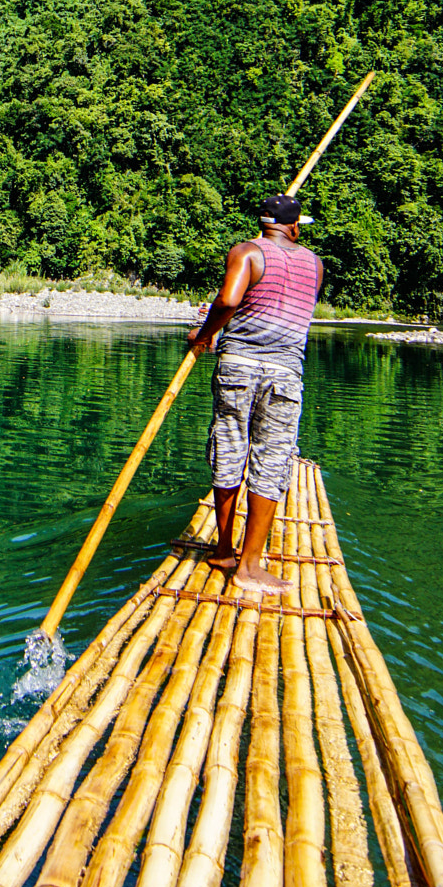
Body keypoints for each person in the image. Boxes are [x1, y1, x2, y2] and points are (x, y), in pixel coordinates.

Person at [186, 192, 324, 594]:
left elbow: (229, 300)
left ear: (263, 223)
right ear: (294, 226)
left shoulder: (246, 252)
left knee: (229, 449)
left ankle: (225, 549)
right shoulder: (316, 264)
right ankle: (249, 565)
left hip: (239, 366)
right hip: (284, 372)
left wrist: (205, 334)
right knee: (271, 461)